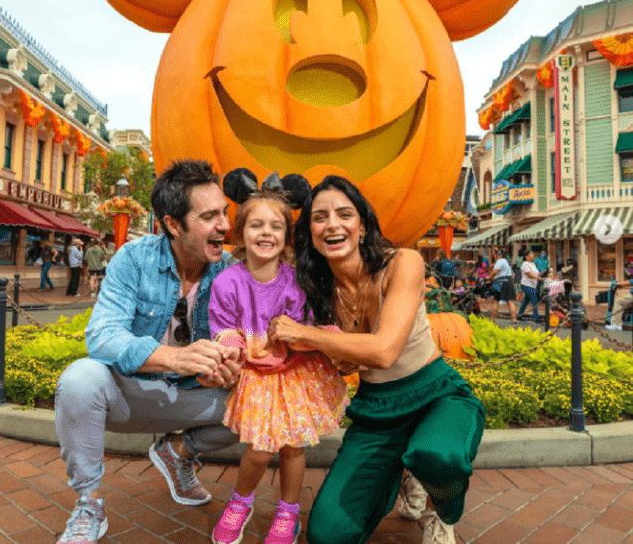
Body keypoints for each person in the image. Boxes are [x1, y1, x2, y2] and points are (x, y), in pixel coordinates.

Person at [269, 176, 485, 544]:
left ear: (363, 226)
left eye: (344, 214)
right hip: (376, 413)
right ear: (310, 233)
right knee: (326, 534)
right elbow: (344, 360)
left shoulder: (404, 262)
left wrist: (305, 335)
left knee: (439, 456)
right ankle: (403, 471)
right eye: (319, 218)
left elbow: (384, 351)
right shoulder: (316, 292)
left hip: (436, 396)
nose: (332, 224)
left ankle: (441, 510)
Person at [54, 160, 242, 544]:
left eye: (224, 212)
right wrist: (174, 356)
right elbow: (102, 336)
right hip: (131, 397)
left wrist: (232, 367)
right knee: (79, 379)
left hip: (193, 398)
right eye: (209, 216)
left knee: (261, 401)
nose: (224, 225)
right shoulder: (134, 258)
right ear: (174, 225)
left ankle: (177, 452)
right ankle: (89, 503)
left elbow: (237, 341)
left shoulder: (231, 271)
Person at [209, 188, 348, 544]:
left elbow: (310, 328)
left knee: (293, 446)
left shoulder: (295, 280)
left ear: (286, 236)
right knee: (258, 448)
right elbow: (224, 327)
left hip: (295, 370)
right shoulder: (228, 282)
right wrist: (232, 351)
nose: (266, 233)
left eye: (275, 226)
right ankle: (241, 502)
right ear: (240, 233)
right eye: (256, 225)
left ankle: (288, 510)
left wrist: (307, 335)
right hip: (257, 373)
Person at [487, 249, 518, 324]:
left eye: (496, 255)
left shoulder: (500, 261)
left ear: (500, 255)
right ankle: (514, 319)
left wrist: (488, 278)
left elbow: (495, 272)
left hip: (500, 283)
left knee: (495, 301)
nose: (495, 257)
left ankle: (492, 319)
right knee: (510, 301)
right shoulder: (508, 261)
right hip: (509, 282)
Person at [517, 249, 545, 323]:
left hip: (532, 285)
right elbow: (530, 275)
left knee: (525, 301)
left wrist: (543, 273)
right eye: (531, 254)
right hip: (526, 285)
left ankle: (519, 315)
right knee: (534, 300)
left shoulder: (532, 264)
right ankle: (536, 318)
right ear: (527, 256)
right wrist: (540, 278)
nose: (533, 255)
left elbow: (536, 274)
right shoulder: (524, 264)